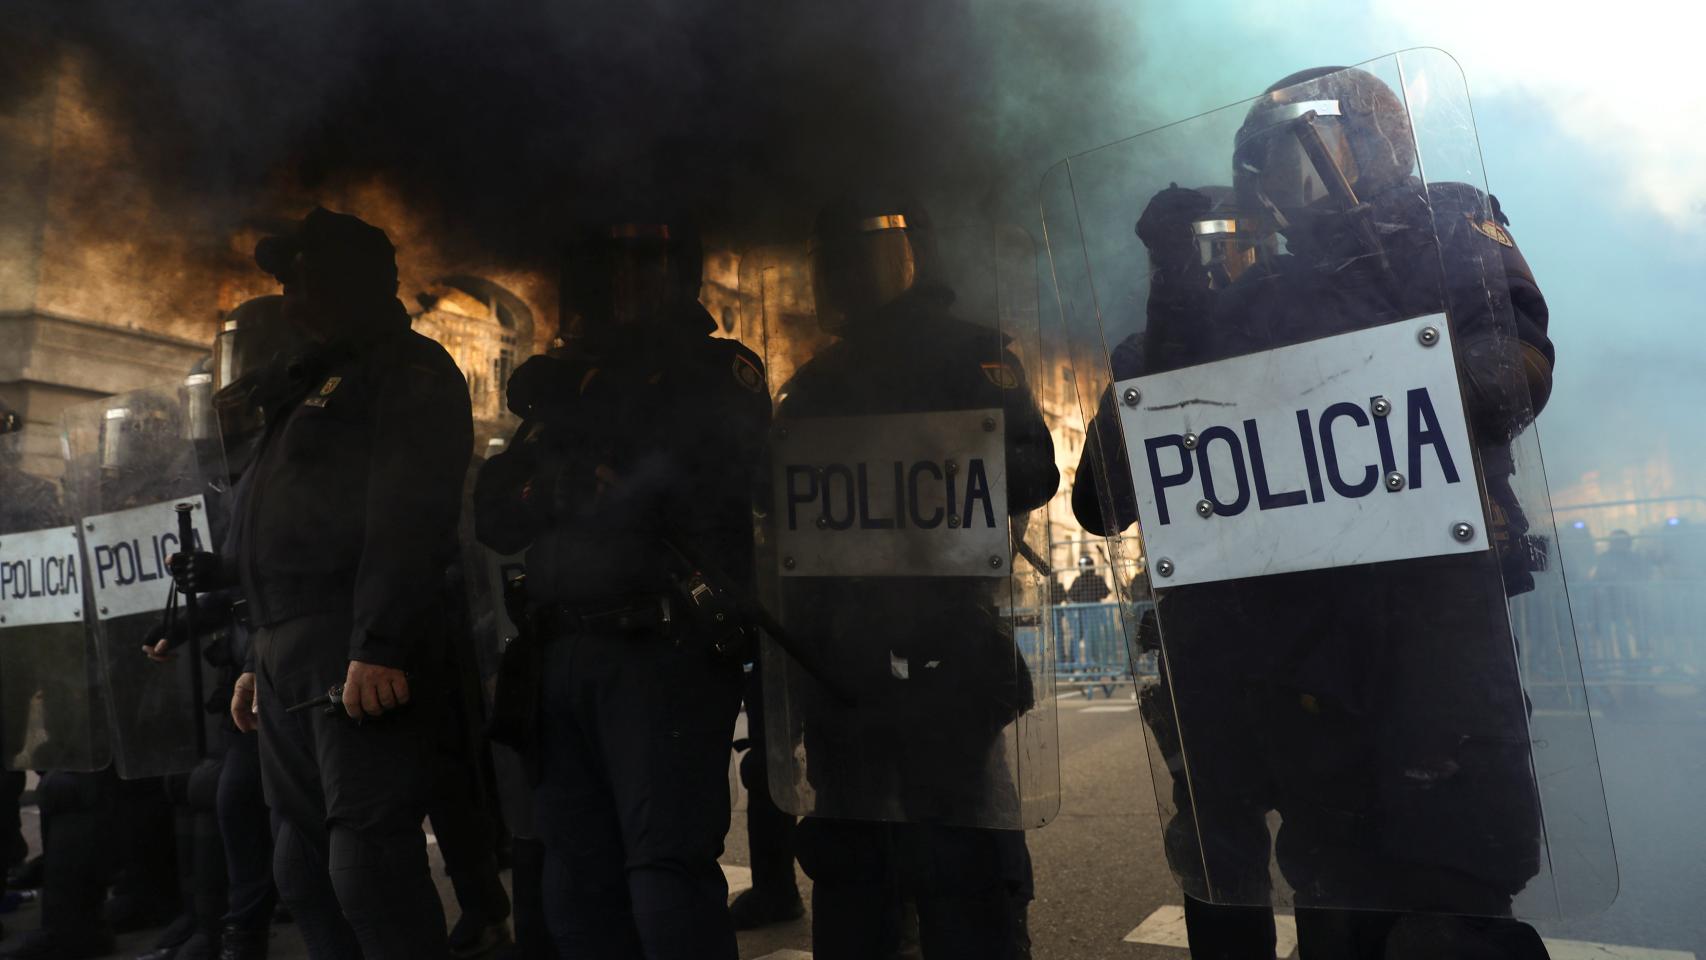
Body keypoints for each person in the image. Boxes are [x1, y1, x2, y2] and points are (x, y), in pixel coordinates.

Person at [1076, 65, 1558, 958]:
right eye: (1259, 163)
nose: (1277, 181)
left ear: (1375, 143)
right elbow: (1108, 495)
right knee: (1337, 909)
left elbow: (1510, 380)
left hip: (1432, 639)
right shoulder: (1259, 300)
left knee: (1457, 912)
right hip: (1303, 663)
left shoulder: (1444, 226)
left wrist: (1394, 321)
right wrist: (1178, 307)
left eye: (1299, 149)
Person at [474, 213, 769, 959]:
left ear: (681, 273)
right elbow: (493, 513)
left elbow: (703, 477)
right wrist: (554, 487)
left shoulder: (718, 372)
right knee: (575, 891)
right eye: (615, 267)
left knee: (666, 879)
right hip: (559, 652)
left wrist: (592, 423)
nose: (627, 283)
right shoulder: (566, 389)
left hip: (660, 651)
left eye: (647, 265)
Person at [773, 192, 1057, 960]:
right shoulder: (814, 384)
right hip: (843, 656)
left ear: (915, 256)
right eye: (841, 261)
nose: (855, 277)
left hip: (947, 642)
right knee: (857, 871)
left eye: (873, 256)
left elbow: (1034, 472)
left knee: (968, 853)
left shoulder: (974, 358)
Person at [192, 206, 471, 959]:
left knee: (367, 864)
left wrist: (378, 641)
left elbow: (408, 517)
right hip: (285, 647)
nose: (290, 300)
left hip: (351, 642)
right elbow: (273, 528)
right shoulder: (303, 382)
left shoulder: (405, 370)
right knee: (302, 863)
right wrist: (255, 651)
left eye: (303, 279)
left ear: (350, 282)